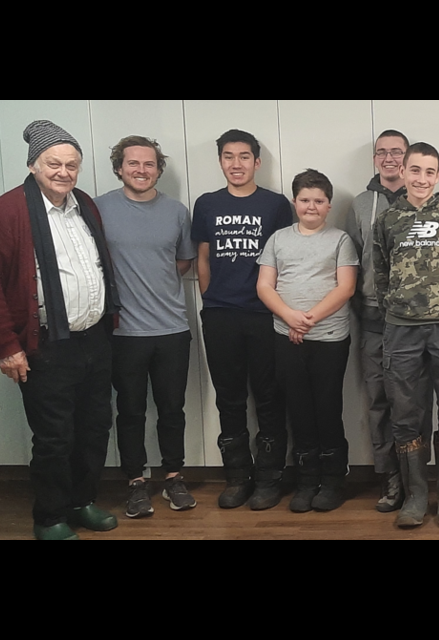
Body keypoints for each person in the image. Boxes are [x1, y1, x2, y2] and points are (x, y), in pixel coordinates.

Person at [0, 120, 120, 540]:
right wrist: (6, 347)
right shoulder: (5, 213)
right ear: (33, 165)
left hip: (93, 338)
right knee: (55, 436)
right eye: (54, 163)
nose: (63, 172)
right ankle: (50, 516)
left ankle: (81, 500)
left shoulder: (84, 204)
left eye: (72, 164)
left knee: (93, 427)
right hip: (45, 346)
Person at [373, 142, 439, 529]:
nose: (421, 178)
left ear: (437, 175)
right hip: (401, 331)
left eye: (429, 172)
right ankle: (416, 495)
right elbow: (380, 274)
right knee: (405, 415)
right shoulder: (388, 220)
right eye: (415, 170)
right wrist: (399, 311)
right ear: (403, 171)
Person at [96, 136, 197, 519]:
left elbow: (183, 262)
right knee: (131, 410)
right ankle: (135, 482)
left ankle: (174, 476)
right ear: (119, 167)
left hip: (172, 329)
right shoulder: (99, 208)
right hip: (122, 334)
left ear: (159, 169)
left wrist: (153, 284)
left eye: (149, 164)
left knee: (173, 409)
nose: (141, 170)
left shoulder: (176, 211)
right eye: (133, 163)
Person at [192, 129, 292, 510]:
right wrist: (210, 298)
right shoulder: (207, 204)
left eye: (244, 157)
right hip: (220, 315)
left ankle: (269, 478)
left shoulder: (276, 204)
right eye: (229, 157)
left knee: (269, 396)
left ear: (257, 162)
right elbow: (202, 257)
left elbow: (287, 255)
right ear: (220, 161)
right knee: (229, 398)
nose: (237, 164)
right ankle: (237, 477)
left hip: (265, 314)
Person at [258, 170, 358, 513]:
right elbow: (264, 286)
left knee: (327, 408)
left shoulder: (341, 240)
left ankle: (332, 481)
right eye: (304, 200)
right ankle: (305, 480)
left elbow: (345, 287)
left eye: (318, 201)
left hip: (329, 338)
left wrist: (309, 318)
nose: (311, 207)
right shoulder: (278, 239)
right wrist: (290, 317)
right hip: (286, 337)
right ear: (294, 203)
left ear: (328, 205)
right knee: (298, 409)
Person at [346, 130, 433, 513]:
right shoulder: (362, 204)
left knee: (416, 404)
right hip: (374, 321)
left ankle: (418, 479)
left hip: (418, 322)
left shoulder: (425, 203)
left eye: (397, 151)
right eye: (382, 152)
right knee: (380, 402)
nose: (390, 158)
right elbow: (352, 262)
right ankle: (391, 478)